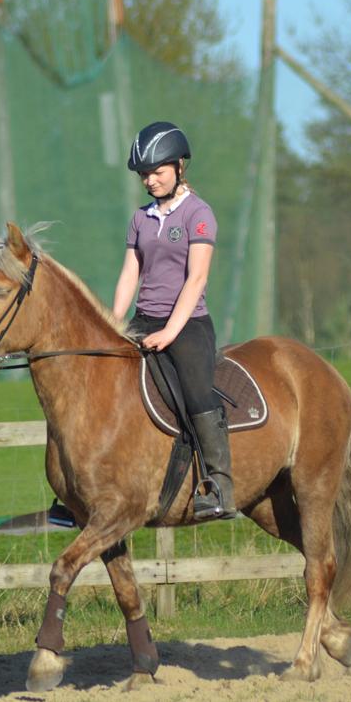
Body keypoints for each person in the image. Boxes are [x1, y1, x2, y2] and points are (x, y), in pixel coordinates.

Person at [113, 121, 235, 520]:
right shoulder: (140, 218)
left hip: (187, 325)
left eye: (158, 171)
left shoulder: (199, 214)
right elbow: (131, 272)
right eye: (144, 174)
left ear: (180, 167)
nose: (150, 180)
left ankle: (218, 485)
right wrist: (114, 323)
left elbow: (197, 278)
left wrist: (170, 332)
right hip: (142, 319)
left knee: (198, 392)